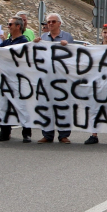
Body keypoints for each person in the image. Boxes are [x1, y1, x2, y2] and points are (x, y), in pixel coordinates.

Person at [34, 13, 76, 143]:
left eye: (53, 21)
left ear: (59, 23)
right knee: (46, 106)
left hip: (62, 79)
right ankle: (47, 134)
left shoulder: (67, 37)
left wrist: (67, 46)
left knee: (63, 105)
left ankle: (63, 134)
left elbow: (74, 55)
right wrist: (34, 44)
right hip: (46, 78)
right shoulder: (43, 37)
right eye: (48, 22)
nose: (50, 24)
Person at [0, 17, 32, 142]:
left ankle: (26, 133)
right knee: (3, 105)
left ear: (18, 26)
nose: (8, 26)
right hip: (5, 79)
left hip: (19, 80)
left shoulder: (23, 41)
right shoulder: (7, 42)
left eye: (10, 24)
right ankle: (4, 132)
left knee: (22, 106)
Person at [85, 24, 107, 146]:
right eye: (105, 32)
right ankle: (93, 135)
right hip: (97, 85)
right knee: (94, 109)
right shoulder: (96, 49)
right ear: (101, 34)